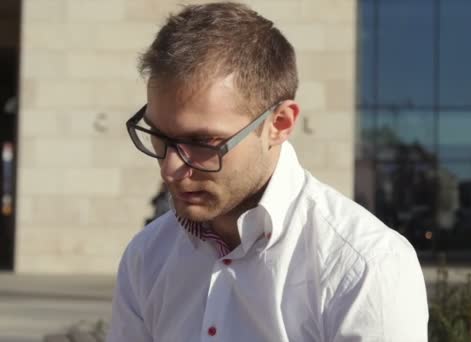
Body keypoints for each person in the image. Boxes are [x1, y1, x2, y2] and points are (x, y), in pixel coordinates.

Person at [107, 3, 428, 341]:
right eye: (159, 137)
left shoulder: (363, 266)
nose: (170, 169)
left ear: (280, 124)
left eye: (203, 141)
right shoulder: (147, 255)